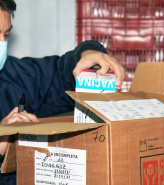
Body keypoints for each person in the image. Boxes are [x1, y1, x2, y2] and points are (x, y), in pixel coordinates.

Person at [0, 0, 125, 184]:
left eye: (6, 34)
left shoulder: (15, 77)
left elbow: (60, 75)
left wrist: (87, 54)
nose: (2, 43)